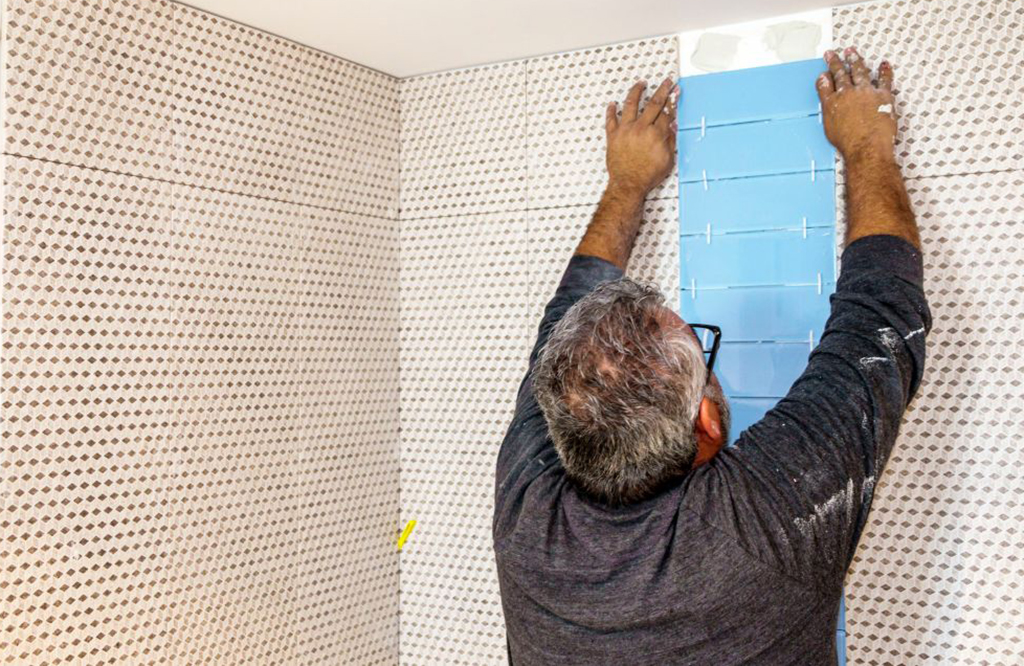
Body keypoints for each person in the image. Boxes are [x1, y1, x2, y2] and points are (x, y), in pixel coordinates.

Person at [492, 47, 930, 665]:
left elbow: (564, 322)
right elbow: (882, 320)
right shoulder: (763, 524)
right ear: (706, 420)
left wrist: (624, 183)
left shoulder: (527, 512)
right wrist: (867, 147)